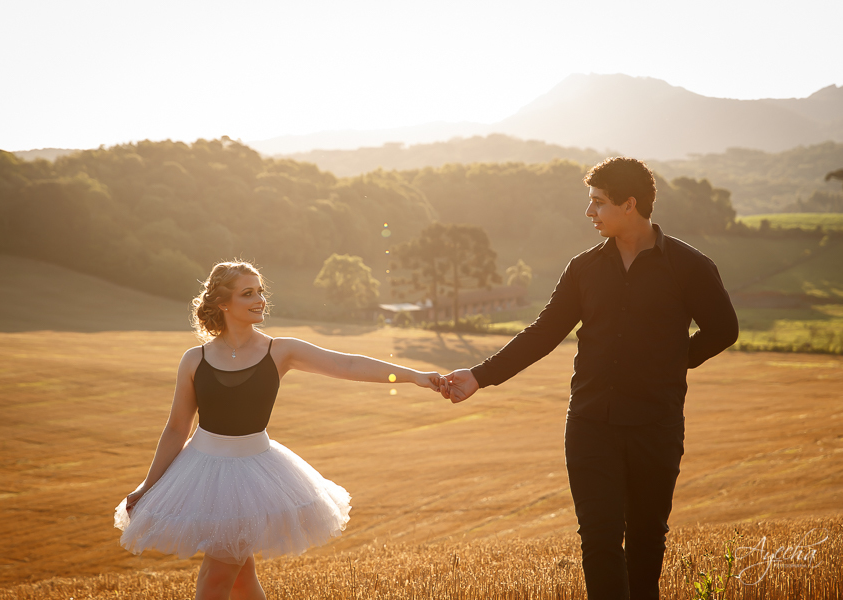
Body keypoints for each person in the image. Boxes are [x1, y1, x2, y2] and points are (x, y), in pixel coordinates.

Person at [441, 157, 738, 600]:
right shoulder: (583, 269)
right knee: (598, 541)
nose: (589, 212)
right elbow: (542, 334)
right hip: (590, 426)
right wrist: (480, 377)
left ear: (630, 204)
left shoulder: (689, 266)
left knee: (645, 542)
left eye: (598, 203)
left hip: (655, 427)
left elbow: (724, 329)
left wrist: (674, 364)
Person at [114, 260, 448, 600]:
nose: (259, 299)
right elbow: (176, 429)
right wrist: (147, 487)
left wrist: (415, 376)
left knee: (215, 580)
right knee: (241, 582)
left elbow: (346, 364)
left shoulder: (280, 351)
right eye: (248, 293)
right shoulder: (194, 359)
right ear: (223, 303)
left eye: (260, 291)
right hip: (201, 474)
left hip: (254, 477)